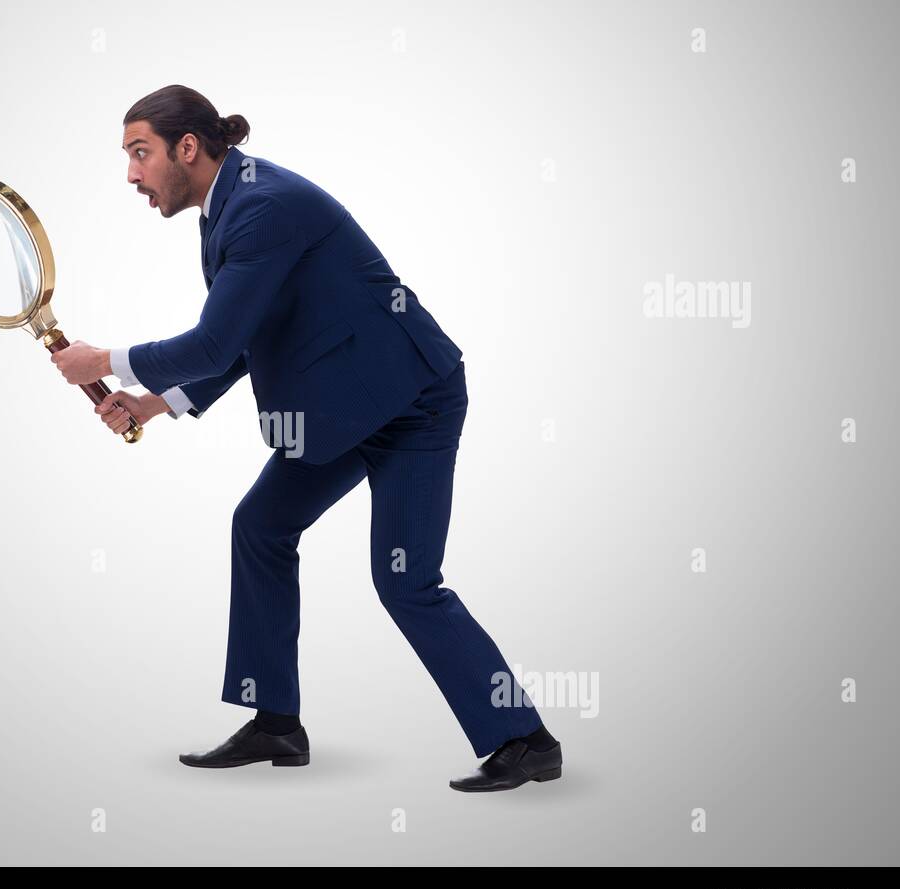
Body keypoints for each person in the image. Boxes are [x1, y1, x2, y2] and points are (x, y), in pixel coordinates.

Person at [50, 85, 562, 791]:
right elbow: (245, 337)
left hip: (413, 402)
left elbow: (212, 340)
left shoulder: (262, 207)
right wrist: (150, 405)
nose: (132, 174)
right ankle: (276, 725)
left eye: (141, 154)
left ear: (188, 148)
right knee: (260, 527)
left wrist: (103, 362)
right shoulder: (226, 209)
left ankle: (525, 739)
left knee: (406, 581)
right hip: (338, 409)